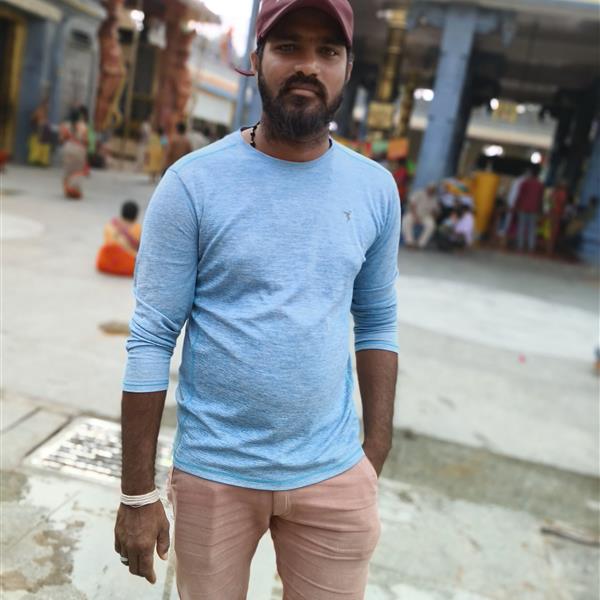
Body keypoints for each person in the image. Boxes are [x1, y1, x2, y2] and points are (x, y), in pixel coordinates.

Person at [113, 1, 400, 597]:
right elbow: (151, 337)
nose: (308, 66)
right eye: (288, 46)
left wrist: (374, 451)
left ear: (348, 68)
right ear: (256, 58)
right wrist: (137, 493)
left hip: (334, 473)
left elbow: (377, 322)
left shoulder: (374, 189)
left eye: (327, 51)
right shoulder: (193, 183)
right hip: (215, 473)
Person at [96, 200, 141, 276]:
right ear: (136, 216)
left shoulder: (111, 225)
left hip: (105, 263)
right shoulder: (137, 228)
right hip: (128, 266)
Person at [59, 108, 88, 199]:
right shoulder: (83, 126)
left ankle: (67, 190)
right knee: (77, 171)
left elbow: (62, 139)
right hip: (79, 150)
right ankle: (75, 190)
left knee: (67, 170)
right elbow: (85, 141)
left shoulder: (65, 125)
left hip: (68, 148)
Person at [515, 165, 544, 252]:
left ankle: (520, 245)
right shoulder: (540, 185)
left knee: (521, 226)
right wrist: (540, 209)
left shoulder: (525, 183)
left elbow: (520, 195)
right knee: (532, 228)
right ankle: (531, 246)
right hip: (534, 209)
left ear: (531, 174)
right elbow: (540, 198)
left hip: (523, 207)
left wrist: (516, 205)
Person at [402, 183, 438, 248]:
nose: (431, 190)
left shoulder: (434, 198)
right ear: (427, 188)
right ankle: (409, 242)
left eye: (433, 190)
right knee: (406, 220)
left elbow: (435, 210)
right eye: (430, 189)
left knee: (431, 225)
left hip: (425, 216)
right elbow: (412, 204)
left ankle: (420, 244)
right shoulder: (419, 193)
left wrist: (434, 215)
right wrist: (415, 216)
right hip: (414, 213)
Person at [545, 180, 569, 255]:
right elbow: (562, 202)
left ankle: (547, 246)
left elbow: (549, 201)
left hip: (552, 212)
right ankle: (550, 249)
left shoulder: (554, 192)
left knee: (549, 230)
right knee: (554, 232)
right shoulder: (563, 193)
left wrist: (551, 208)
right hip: (557, 213)